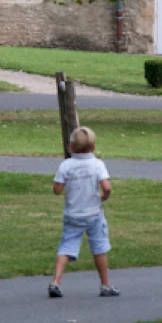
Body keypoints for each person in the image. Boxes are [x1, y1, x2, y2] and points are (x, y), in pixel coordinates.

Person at [48, 126, 119, 299]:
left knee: (66, 246)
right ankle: (105, 285)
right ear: (93, 148)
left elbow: (57, 190)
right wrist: (104, 196)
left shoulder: (66, 165)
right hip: (93, 214)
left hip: (73, 214)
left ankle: (56, 281)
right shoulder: (97, 165)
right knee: (99, 248)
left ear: (71, 147)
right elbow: (107, 186)